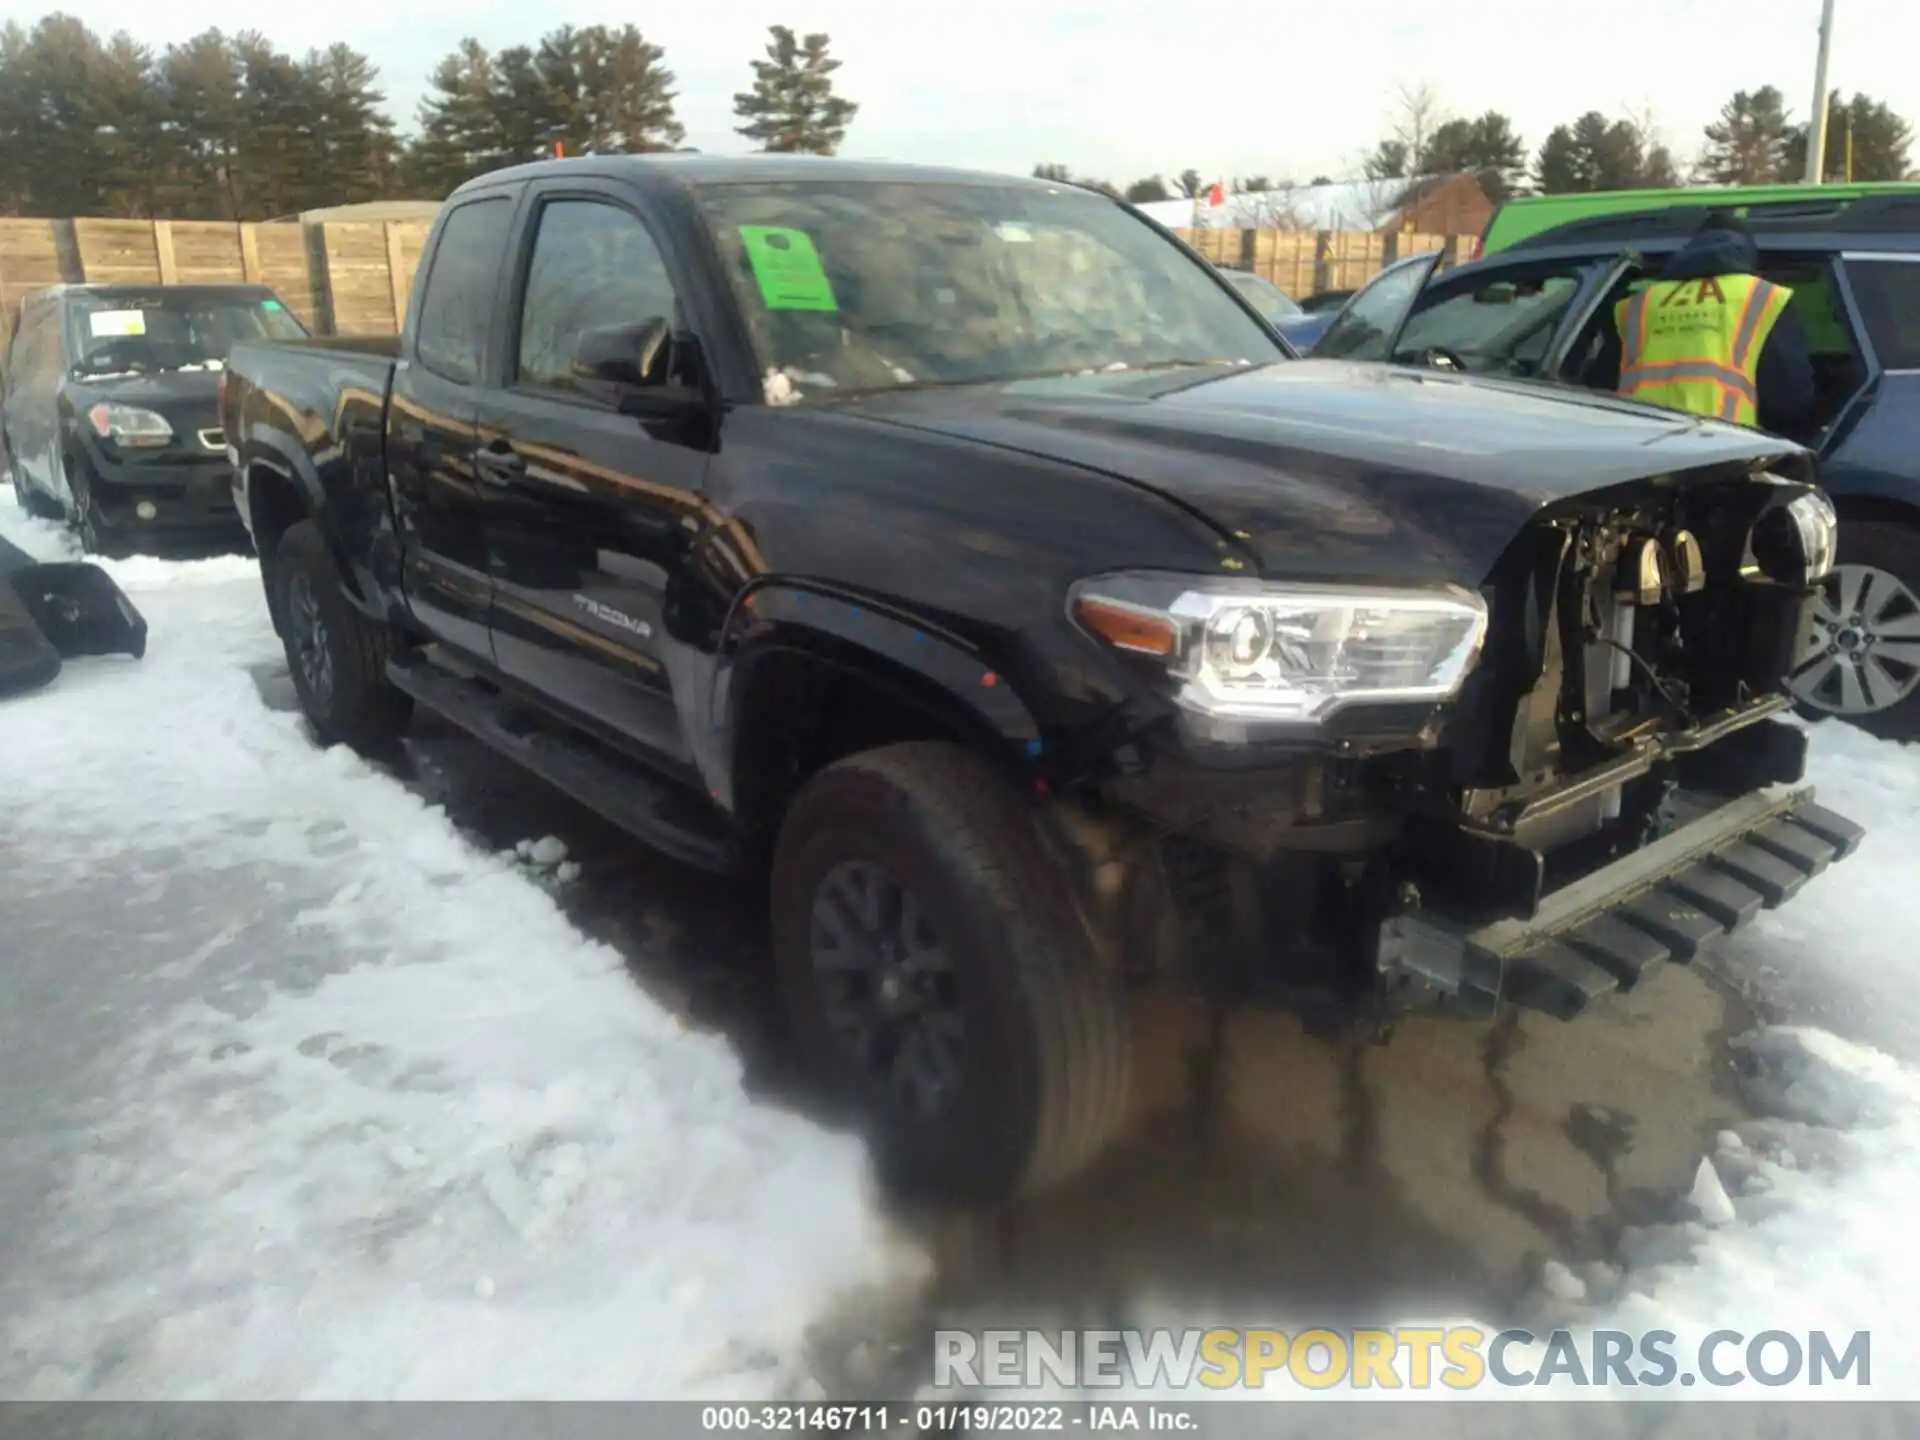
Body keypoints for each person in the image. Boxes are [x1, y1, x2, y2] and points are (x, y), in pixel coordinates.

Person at [1596, 212, 1816, 442]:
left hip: (1640, 450)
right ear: (1747, 254)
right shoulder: (1762, 297)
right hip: (1721, 451)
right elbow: (1791, 400)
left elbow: (1601, 386)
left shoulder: (1639, 304)